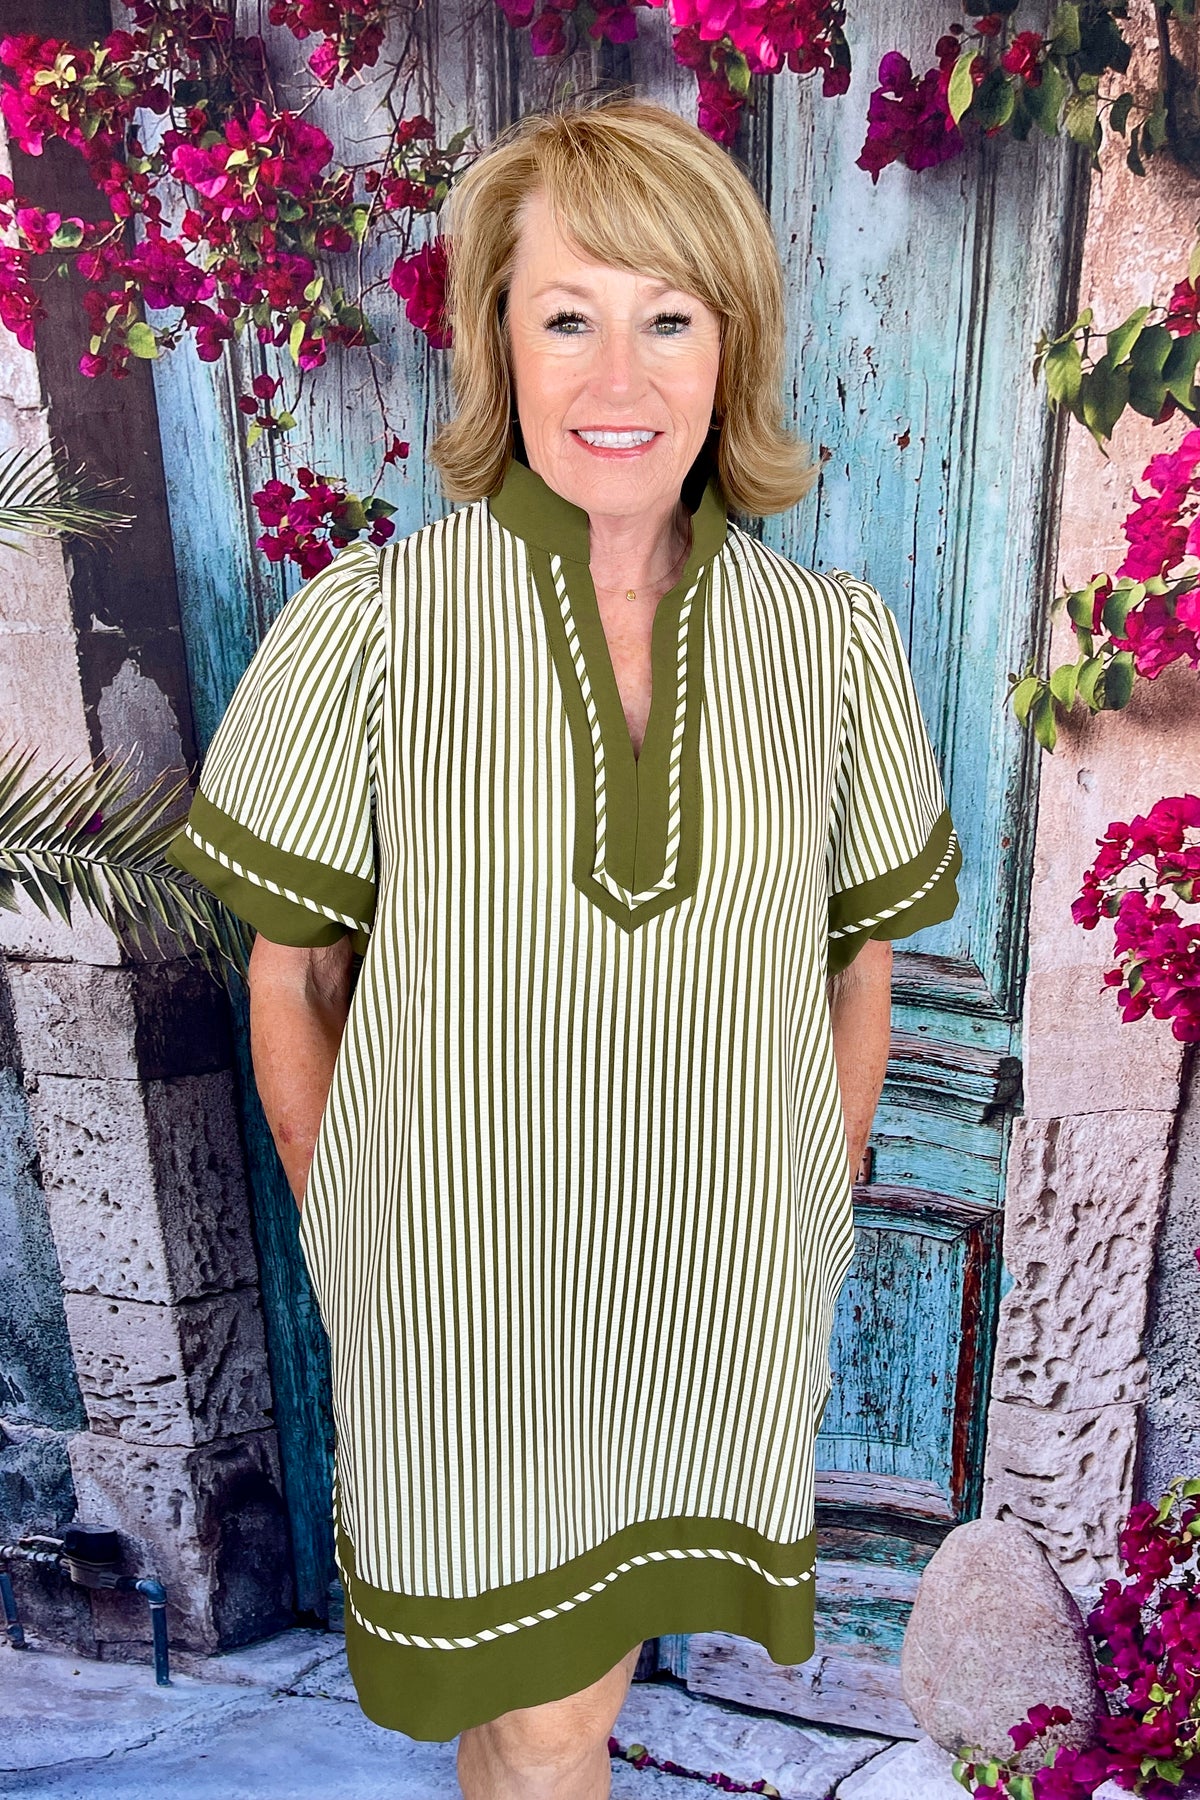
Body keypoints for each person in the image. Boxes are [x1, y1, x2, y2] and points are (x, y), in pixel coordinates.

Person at [166, 93, 962, 1800]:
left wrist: (807, 1217)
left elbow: (854, 966)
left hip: (714, 1297)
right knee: (535, 1718)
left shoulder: (833, 647)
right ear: (498, 345)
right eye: (568, 318)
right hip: (463, 1301)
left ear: (730, 347)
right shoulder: (375, 632)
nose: (621, 378)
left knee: (559, 1709)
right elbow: (294, 972)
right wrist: (363, 1243)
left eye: (669, 319)